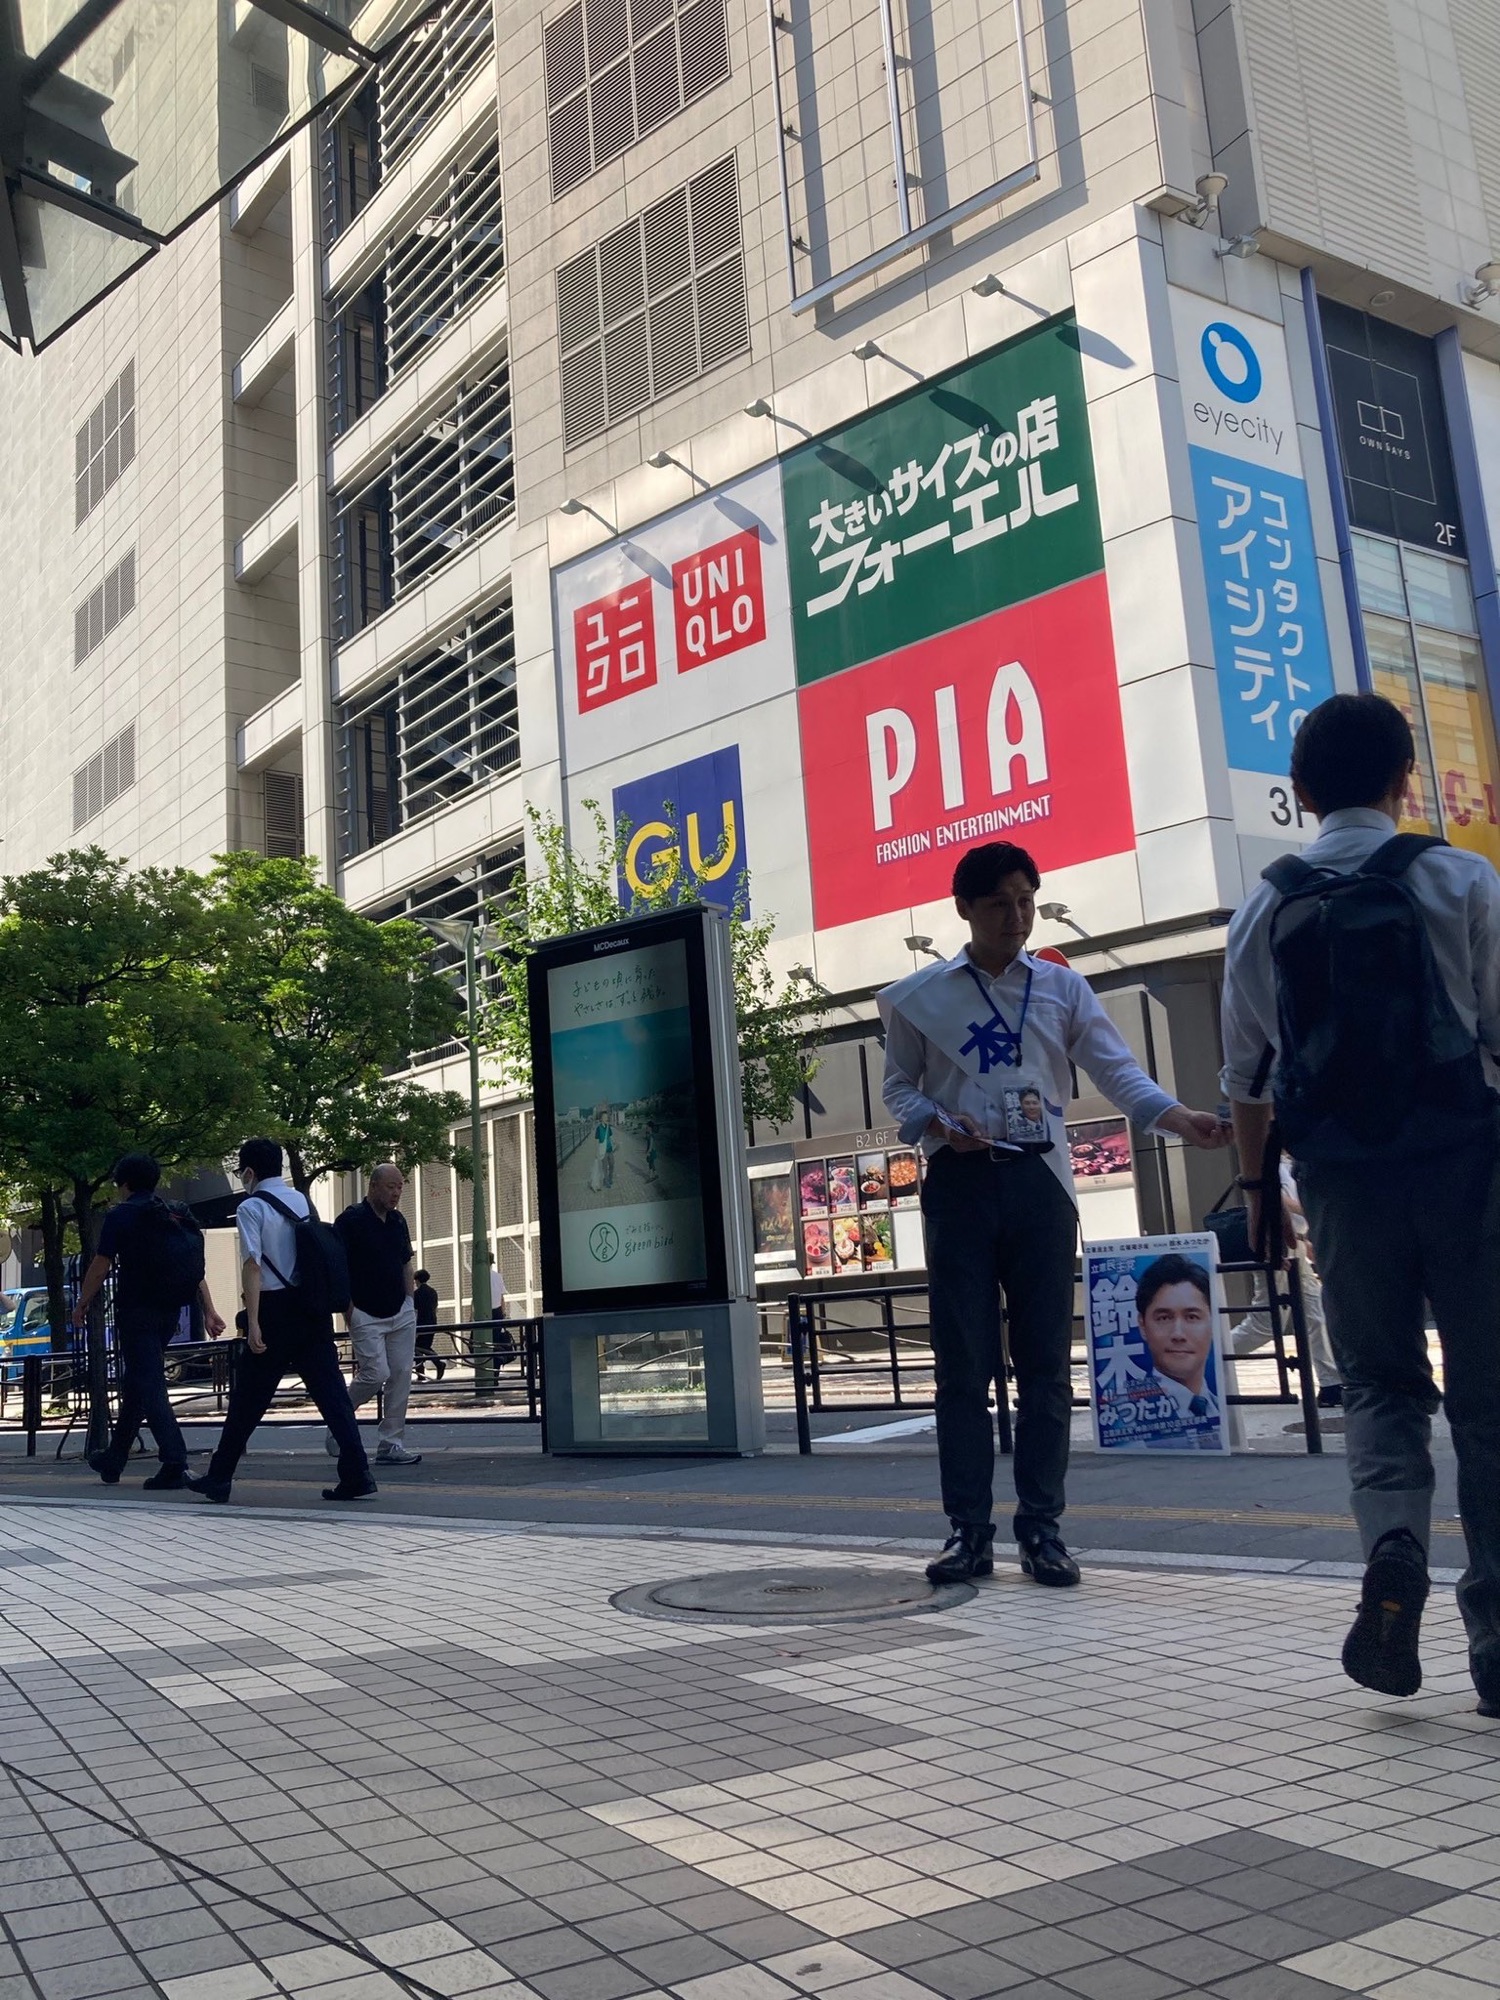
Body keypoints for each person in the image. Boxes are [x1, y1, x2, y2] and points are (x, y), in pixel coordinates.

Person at [1221, 693, 1500, 1711]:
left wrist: (1260, 1192)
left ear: (1300, 792)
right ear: (1404, 779)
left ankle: (1393, 1547)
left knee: (1381, 1385)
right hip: (1466, 1163)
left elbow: (1245, 1079)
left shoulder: (1265, 905)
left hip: (1341, 1180)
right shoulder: (1458, 876)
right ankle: (1498, 1636)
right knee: (1488, 1396)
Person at [881, 841, 1228, 1587]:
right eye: (1001, 903)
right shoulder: (919, 997)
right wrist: (939, 1124)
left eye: (1026, 901)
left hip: (1041, 1184)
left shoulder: (1063, 990)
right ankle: (967, 1532)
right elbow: (898, 1091)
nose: (1017, 917)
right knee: (961, 1368)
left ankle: (1042, 1528)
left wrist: (1178, 1118)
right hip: (959, 1186)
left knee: (1044, 1366)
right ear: (964, 909)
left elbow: (1117, 1071)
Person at [186, 1138, 375, 1505]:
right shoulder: (302, 1200)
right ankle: (358, 1472)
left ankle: (220, 1476)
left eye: (241, 1171)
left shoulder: (251, 1207)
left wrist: (253, 1321)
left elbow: (253, 1265)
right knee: (332, 1394)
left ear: (250, 1171)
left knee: (248, 1399)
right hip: (312, 1307)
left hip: (274, 1309)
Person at [72, 1154, 225, 1490]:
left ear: (123, 1183)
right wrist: (210, 1310)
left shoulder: (121, 1215)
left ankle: (174, 1461)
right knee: (139, 1380)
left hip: (137, 1309)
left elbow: (100, 1265)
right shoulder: (176, 1212)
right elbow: (193, 1269)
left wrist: (83, 1302)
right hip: (171, 1309)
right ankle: (114, 1458)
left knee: (150, 1381)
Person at [1227, 1157, 1341, 1405]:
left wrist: (1304, 1241)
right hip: (1276, 1244)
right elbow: (1276, 1199)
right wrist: (1309, 1209)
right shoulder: (1269, 1162)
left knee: (1315, 1314)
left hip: (1294, 1245)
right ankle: (1210, 1353)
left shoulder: (1289, 1163)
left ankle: (1331, 1384)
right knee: (1266, 1323)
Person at [333, 1164, 421, 1467]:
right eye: (390, 1187)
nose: (396, 1193)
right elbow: (338, 1267)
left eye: (399, 1187)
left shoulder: (398, 1221)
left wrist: (410, 1300)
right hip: (365, 1311)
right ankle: (339, 1421)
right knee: (376, 1373)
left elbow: (404, 1263)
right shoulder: (350, 1220)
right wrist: (349, 1309)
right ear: (372, 1186)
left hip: (400, 1309)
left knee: (401, 1374)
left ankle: (391, 1443)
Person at [1133, 1253, 1222, 1448]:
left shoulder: (1219, 1407)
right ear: (1142, 1325)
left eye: (1192, 1317)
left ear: (1212, 1321)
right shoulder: (1126, 1420)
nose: (1178, 1334)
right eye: (1164, 1318)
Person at [413, 1269, 444, 1382]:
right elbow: (435, 1307)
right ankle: (435, 1365)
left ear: (417, 1280)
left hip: (421, 1323)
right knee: (425, 1346)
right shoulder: (433, 1292)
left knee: (417, 1347)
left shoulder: (416, 1294)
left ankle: (425, 1370)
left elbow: (415, 1311)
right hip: (432, 1322)